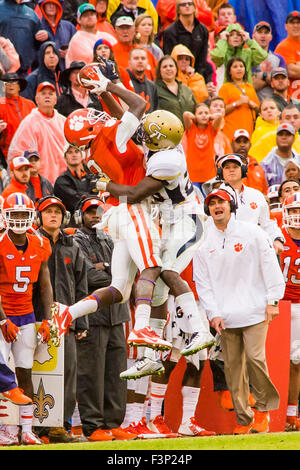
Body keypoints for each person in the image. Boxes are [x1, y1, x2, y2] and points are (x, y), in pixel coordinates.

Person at [50, 71, 215, 359]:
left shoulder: (95, 150)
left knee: (120, 288)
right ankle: (149, 329)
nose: (99, 118)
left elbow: (125, 121)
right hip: (134, 208)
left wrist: (103, 93)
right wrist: (108, 86)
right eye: (93, 120)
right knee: (154, 267)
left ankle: (68, 313)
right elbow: (136, 108)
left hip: (128, 211)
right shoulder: (151, 149)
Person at [194, 187, 285, 434]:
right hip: (225, 316)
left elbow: (270, 266)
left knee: (255, 359)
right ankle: (244, 421)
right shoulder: (203, 242)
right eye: (212, 203)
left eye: (221, 202)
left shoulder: (253, 233)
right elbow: (202, 283)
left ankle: (263, 411)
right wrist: (213, 313)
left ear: (231, 205)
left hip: (256, 309)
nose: (216, 207)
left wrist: (273, 300)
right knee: (233, 369)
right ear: (207, 209)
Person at [73, 196, 135, 441]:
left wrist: (106, 269)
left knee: (117, 373)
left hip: (117, 315)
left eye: (99, 211)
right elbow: (87, 276)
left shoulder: (111, 238)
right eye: (90, 212)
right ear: (81, 215)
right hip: (93, 316)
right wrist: (115, 275)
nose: (96, 215)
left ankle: (113, 422)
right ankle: (93, 426)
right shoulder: (75, 239)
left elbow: (129, 271)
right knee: (91, 374)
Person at [34, 195, 88, 443]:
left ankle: (61, 426)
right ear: (40, 216)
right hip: (35, 318)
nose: (53, 215)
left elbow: (81, 285)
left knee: (67, 373)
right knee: (35, 372)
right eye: (48, 212)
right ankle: (34, 426)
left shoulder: (72, 246)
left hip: (66, 320)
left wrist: (81, 322)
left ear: (63, 216)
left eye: (57, 211)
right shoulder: (32, 241)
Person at [0, 192, 53, 445]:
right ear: (5, 216)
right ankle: (5, 429)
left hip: (26, 316)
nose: (19, 219)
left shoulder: (40, 243)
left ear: (31, 216)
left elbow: (45, 285)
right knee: (3, 374)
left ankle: (27, 430)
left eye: (23, 214)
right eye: (15, 214)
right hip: (2, 314)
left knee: (25, 374)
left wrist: (48, 319)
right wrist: (2, 320)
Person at [217, 153, 285, 254]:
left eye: (235, 167)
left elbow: (267, 223)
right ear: (221, 172)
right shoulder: (214, 198)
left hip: (252, 251)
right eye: (227, 167)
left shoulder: (257, 195)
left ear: (243, 170)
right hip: (224, 252)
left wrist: (277, 239)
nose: (231, 170)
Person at [7, 81, 67, 186]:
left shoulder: (64, 122)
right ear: (36, 99)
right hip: (38, 185)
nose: (47, 96)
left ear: (56, 99)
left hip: (64, 183)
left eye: (50, 93)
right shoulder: (29, 123)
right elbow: (15, 155)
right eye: (43, 93)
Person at [279, 193, 300, 431]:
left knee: (296, 361)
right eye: (293, 210)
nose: (297, 215)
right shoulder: (277, 236)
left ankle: (291, 412)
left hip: (299, 306)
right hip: (279, 306)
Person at [162, 0, 214, 85]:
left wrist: (197, 77)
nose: (187, 6)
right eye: (183, 4)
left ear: (194, 8)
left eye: (190, 4)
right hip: (177, 78)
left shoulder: (203, 29)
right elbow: (169, 58)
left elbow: (202, 58)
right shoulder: (170, 31)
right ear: (178, 9)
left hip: (197, 77)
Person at [54, 144, 98, 226]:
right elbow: (77, 202)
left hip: (95, 223)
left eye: (77, 151)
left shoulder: (92, 178)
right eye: (70, 152)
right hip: (71, 227)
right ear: (65, 157)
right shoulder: (61, 181)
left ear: (82, 155)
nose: (74, 154)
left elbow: (99, 201)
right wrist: (91, 196)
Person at [0, 0, 48, 74]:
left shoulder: (32, 14)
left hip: (23, 72)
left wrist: (45, 36)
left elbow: (39, 42)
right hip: (2, 70)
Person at [182, 102, 222, 191]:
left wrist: (210, 117)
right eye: (200, 113)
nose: (204, 115)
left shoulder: (211, 129)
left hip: (208, 174)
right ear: (195, 115)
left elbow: (219, 116)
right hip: (192, 174)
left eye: (206, 113)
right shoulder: (191, 128)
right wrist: (196, 118)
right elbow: (185, 114)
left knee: (207, 201)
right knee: (196, 202)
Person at [218, 56, 260, 141]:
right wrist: (236, 103)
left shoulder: (250, 87)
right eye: (235, 67)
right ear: (229, 71)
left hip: (249, 131)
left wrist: (253, 105)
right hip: (230, 132)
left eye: (241, 66)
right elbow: (220, 110)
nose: (239, 69)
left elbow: (259, 110)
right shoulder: (225, 88)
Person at [65, 3, 117, 68]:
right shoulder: (76, 40)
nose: (89, 17)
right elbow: (91, 59)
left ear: (96, 17)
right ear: (79, 20)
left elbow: (118, 53)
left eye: (92, 14)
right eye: (85, 15)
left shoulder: (107, 36)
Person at [0, 73, 36, 164]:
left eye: (14, 82)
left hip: (31, 153)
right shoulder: (0, 104)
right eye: (7, 82)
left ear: (19, 87)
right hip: (7, 153)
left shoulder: (30, 104)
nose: (11, 85)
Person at [112, 15, 157, 81]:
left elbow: (157, 78)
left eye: (128, 28)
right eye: (121, 28)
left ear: (135, 30)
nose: (125, 31)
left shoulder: (145, 53)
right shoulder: (110, 53)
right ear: (115, 31)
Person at [155, 55, 197, 124]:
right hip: (167, 132)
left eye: (171, 66)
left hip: (189, 133)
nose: (168, 68)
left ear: (176, 69)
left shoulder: (186, 89)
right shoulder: (154, 89)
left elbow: (196, 109)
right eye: (164, 67)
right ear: (159, 71)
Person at [252, 22, 287, 102]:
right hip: (255, 107)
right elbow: (250, 86)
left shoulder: (279, 59)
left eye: (266, 33)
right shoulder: (248, 57)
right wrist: (272, 78)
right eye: (260, 32)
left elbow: (282, 84)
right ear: (253, 36)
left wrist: (262, 75)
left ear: (270, 37)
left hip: (276, 106)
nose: (263, 35)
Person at [37, 0, 77, 70]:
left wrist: (69, 54)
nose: (51, 6)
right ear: (43, 6)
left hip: (65, 71)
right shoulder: (37, 27)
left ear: (58, 6)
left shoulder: (69, 26)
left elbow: (77, 48)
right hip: (44, 72)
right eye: (48, 3)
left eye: (54, 3)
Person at [118, 47, 158, 113]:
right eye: (136, 58)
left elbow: (155, 110)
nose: (140, 61)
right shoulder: (123, 82)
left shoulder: (152, 86)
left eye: (143, 58)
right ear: (129, 62)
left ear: (147, 62)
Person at [231, 128, 268, 195]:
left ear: (250, 145)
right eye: (238, 142)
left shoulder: (258, 167)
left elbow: (265, 192)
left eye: (245, 142)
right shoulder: (225, 167)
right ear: (232, 144)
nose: (242, 145)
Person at [275, 11, 300, 102]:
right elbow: (292, 71)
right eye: (292, 23)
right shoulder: (284, 46)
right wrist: (295, 66)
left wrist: (297, 64)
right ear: (286, 26)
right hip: (292, 101)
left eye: (298, 22)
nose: (296, 25)